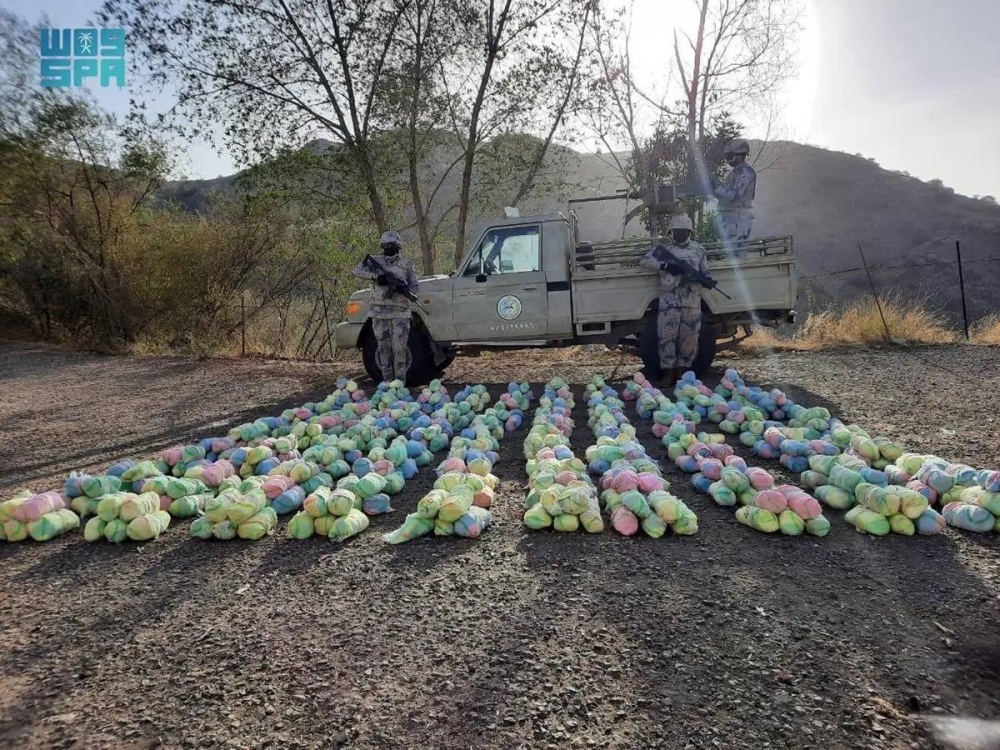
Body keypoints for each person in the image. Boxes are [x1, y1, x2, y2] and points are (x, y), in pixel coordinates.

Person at [639, 215, 714, 385]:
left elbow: (706, 272)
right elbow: (644, 261)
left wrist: (705, 280)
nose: (679, 234)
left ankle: (682, 374)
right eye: (676, 231)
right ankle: (668, 374)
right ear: (671, 232)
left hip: (691, 301)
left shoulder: (698, 250)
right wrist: (665, 266)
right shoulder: (664, 249)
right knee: (666, 337)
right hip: (669, 301)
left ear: (689, 232)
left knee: (689, 338)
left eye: (683, 231)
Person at [352, 231, 419, 383]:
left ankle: (399, 384)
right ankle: (387, 383)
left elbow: (415, 286)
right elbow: (356, 270)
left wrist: (402, 289)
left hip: (400, 312)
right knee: (383, 348)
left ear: (398, 246)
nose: (389, 248)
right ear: (382, 246)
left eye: (392, 245)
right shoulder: (375, 262)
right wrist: (376, 277)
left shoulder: (406, 264)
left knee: (400, 349)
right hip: (379, 311)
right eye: (387, 245)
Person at [714, 138, 757, 247]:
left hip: (738, 219)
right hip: (731, 218)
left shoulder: (744, 172)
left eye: (729, 156)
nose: (727, 159)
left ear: (740, 155)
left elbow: (734, 194)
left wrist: (717, 189)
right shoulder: (736, 172)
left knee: (737, 251)